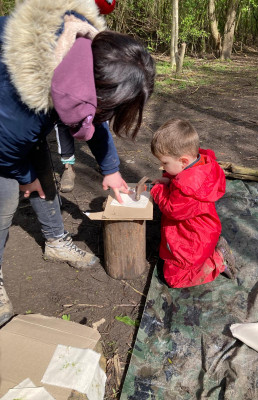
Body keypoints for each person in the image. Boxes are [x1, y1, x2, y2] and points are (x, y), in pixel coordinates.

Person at [0, 0, 155, 326]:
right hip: (6, 127)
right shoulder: (19, 105)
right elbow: (6, 150)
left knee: (43, 174)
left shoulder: (85, 59)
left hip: (25, 121)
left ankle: (56, 242)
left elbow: (95, 117)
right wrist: (23, 176)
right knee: (6, 198)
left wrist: (111, 169)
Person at [150, 119, 236, 289]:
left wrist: (158, 190)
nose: (161, 167)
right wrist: (169, 179)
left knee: (174, 278)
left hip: (191, 239)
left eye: (165, 163)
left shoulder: (187, 187)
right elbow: (180, 177)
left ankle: (218, 260)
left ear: (183, 161)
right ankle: (213, 251)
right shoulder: (200, 164)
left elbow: (172, 209)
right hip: (202, 230)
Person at [55, 0, 116, 193]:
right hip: (59, 61)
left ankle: (109, 166)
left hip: (87, 55)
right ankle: (68, 168)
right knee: (62, 119)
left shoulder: (91, 18)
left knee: (96, 115)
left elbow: (108, 5)